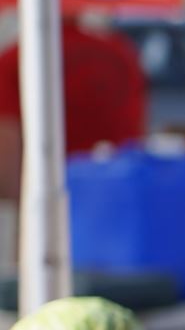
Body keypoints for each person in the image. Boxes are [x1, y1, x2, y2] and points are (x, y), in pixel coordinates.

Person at [0, 12, 148, 196]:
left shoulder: (15, 58)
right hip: (117, 182)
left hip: (47, 186)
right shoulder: (119, 51)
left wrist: (17, 204)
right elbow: (137, 122)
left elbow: (7, 136)